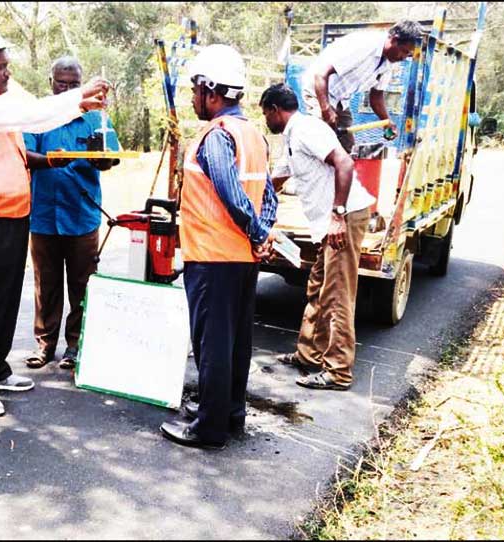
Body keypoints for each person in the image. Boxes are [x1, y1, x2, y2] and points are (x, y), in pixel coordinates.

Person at [0, 24, 110, 417]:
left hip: (13, 213)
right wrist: (79, 98)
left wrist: (79, 103)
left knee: (4, 300)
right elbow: (32, 114)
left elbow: (31, 115)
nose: (8, 74)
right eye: (1, 67)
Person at [159, 44, 278, 450]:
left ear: (212, 92)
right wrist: (262, 232)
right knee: (235, 342)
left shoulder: (216, 136)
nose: (193, 99)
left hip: (212, 257)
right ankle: (230, 415)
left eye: (195, 91)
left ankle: (208, 429)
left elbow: (231, 193)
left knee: (211, 344)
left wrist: (259, 233)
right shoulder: (253, 135)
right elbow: (268, 194)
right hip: (241, 259)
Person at [261, 83, 374, 391]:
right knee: (317, 288)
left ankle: (338, 372)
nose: (265, 121)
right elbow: (278, 178)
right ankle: (309, 354)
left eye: (265, 114)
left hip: (344, 219)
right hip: (328, 224)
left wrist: (338, 214)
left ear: (274, 110)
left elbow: (345, 162)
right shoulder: (292, 136)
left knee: (337, 296)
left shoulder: (307, 129)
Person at [22, 56, 121, 371]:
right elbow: (23, 154)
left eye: (73, 85)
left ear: (82, 86)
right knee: (46, 284)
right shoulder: (38, 116)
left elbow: (111, 156)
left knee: (82, 285)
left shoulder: (96, 116)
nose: (66, 89)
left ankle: (76, 345)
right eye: (61, 84)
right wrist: (49, 161)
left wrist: (101, 160)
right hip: (43, 215)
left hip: (81, 215)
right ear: (51, 83)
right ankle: (45, 345)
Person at [301, 20, 423, 152]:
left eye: (408, 54)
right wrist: (325, 109)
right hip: (318, 90)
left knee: (347, 147)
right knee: (322, 144)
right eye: (404, 51)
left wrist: (387, 122)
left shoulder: (388, 62)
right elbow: (320, 74)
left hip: (341, 99)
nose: (404, 58)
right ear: (394, 39)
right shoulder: (364, 45)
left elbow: (376, 97)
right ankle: (288, 168)